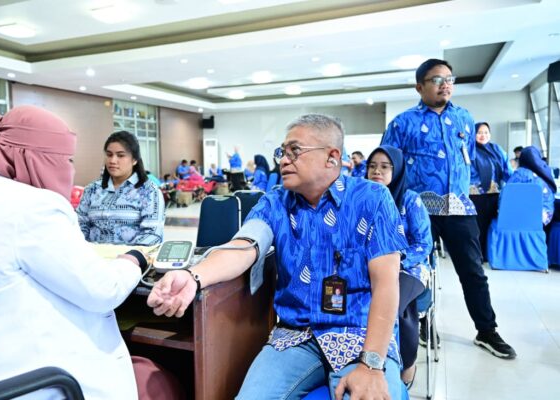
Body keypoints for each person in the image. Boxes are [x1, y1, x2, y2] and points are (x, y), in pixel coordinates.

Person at [148, 114, 408, 400]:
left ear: (332, 157)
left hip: (359, 335)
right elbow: (244, 247)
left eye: (294, 151)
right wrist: (193, 276)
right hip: (295, 337)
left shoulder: (372, 199)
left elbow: (386, 284)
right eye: (282, 152)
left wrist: (371, 365)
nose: (283, 160)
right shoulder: (275, 201)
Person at [0, 106, 145, 399]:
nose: (69, 170)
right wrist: (133, 261)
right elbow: (102, 290)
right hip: (22, 382)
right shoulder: (35, 206)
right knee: (153, 379)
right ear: (34, 158)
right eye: (65, 159)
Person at [381, 58, 516, 359]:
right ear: (419, 86)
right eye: (436, 79)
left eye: (449, 79)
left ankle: (487, 330)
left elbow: (466, 159)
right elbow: (389, 165)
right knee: (418, 270)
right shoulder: (403, 123)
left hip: (459, 209)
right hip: (419, 211)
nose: (445, 84)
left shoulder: (465, 118)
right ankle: (424, 322)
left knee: (473, 272)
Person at [366, 145, 432, 388]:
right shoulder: (363, 198)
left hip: (409, 268)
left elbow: (424, 244)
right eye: (372, 166)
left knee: (393, 303)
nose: (377, 171)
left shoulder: (410, 200)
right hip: (370, 265)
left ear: (398, 170)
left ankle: (406, 363)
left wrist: (396, 261)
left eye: (385, 167)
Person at [77, 131, 164, 245]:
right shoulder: (92, 189)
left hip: (131, 260)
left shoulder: (149, 191)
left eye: (120, 155)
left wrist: (127, 257)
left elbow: (152, 233)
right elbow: (79, 225)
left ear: (134, 160)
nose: (112, 161)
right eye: (109, 154)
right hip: (93, 258)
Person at [469, 122, 512, 261]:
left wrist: (517, 182)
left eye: (486, 132)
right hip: (475, 196)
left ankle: (489, 255)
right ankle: (477, 256)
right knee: (477, 227)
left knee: (491, 225)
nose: (483, 135)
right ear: (474, 134)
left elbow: (507, 171)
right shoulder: (469, 150)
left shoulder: (497, 150)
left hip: (495, 195)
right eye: (479, 132)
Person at [505, 146, 556, 225]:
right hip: (542, 219)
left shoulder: (519, 174)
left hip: (516, 219)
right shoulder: (544, 171)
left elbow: (506, 195)